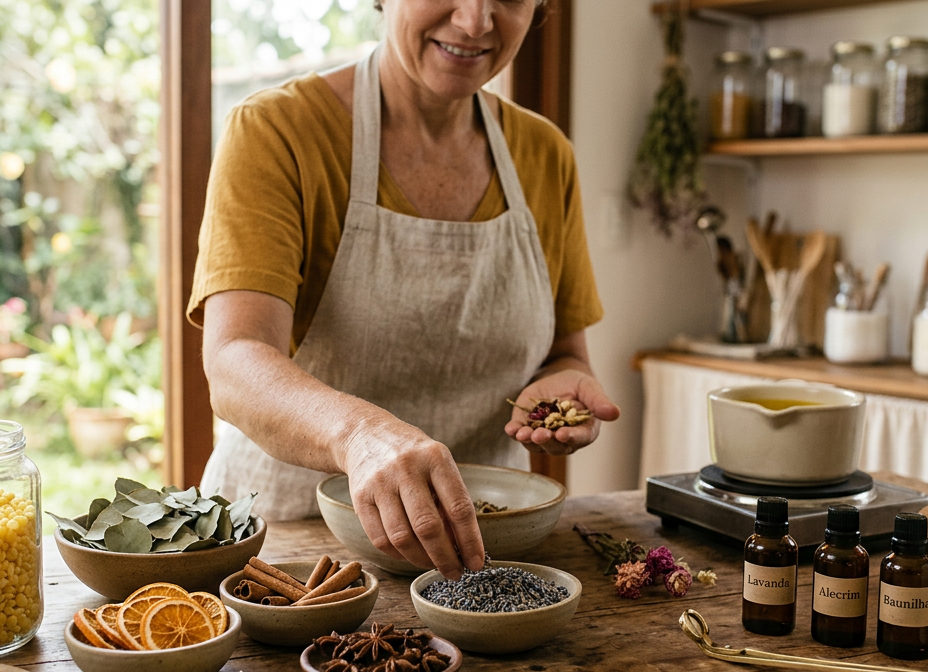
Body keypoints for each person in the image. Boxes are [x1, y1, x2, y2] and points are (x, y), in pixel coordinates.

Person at [189, 0, 619, 579]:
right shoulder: (278, 131)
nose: (474, 21)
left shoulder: (545, 156)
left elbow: (565, 353)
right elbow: (235, 360)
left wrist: (562, 387)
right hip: (287, 551)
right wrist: (361, 434)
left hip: (479, 557)